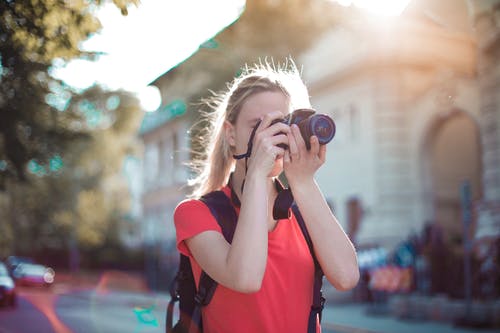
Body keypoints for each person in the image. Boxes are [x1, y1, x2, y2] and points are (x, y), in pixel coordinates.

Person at [173, 59, 359, 333]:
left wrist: (303, 182)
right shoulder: (196, 214)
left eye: (281, 124)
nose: (270, 136)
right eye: (258, 125)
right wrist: (257, 174)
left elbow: (346, 277)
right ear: (231, 134)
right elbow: (245, 278)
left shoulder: (303, 211)